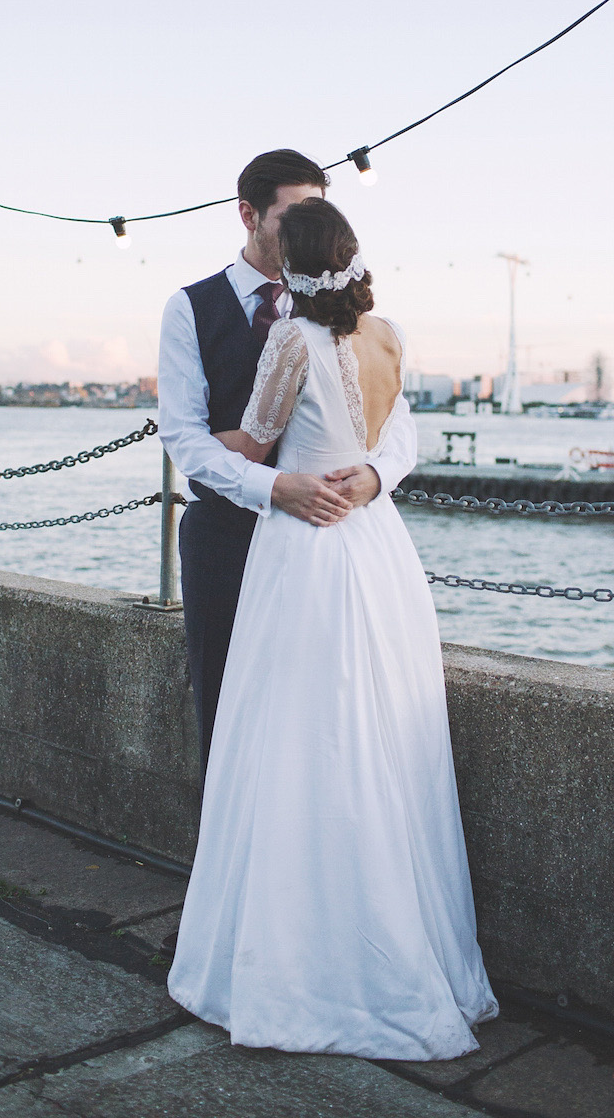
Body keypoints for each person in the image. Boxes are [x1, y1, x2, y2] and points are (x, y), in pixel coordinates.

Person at [167, 198, 498, 1060]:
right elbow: (393, 439)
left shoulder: (291, 342)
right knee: (383, 733)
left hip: (305, 551)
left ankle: (302, 961)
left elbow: (253, 441)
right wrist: (368, 479)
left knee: (299, 737)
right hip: (378, 547)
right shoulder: (388, 335)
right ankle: (399, 941)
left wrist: (190, 440)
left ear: (298, 264)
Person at [158, 151, 416, 779]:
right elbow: (183, 437)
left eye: (317, 213)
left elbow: (399, 424)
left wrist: (377, 476)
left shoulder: (360, 324)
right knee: (229, 713)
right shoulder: (189, 308)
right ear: (248, 215)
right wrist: (274, 487)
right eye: (294, 214)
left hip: (335, 535)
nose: (307, 227)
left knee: (340, 712)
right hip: (226, 538)